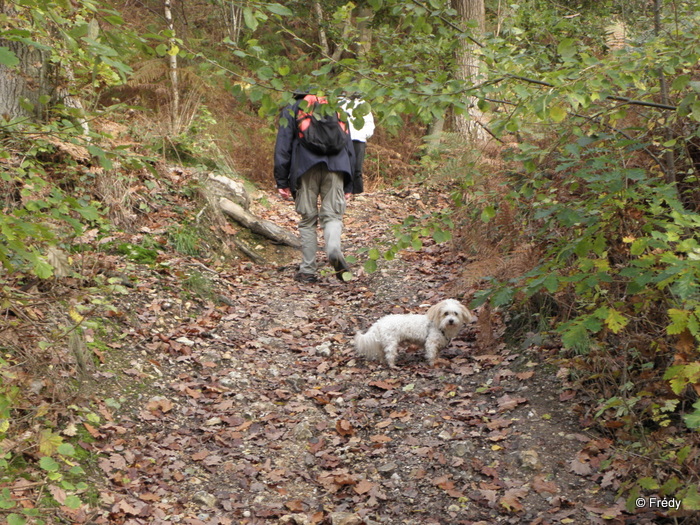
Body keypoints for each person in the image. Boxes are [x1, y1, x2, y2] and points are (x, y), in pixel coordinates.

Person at [273, 90, 359, 283]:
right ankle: (334, 250)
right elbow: (349, 146)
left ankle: (307, 271)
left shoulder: (294, 107)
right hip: (337, 168)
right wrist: (350, 183)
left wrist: (282, 180)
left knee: (307, 220)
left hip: (305, 167)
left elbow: (283, 145)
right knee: (333, 216)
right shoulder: (336, 107)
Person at [341, 93, 375, 192]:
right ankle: (344, 192)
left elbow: (369, 123)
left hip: (358, 140)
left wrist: (363, 134)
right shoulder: (340, 103)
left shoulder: (363, 104)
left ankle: (358, 193)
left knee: (357, 169)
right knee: (343, 167)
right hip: (343, 139)